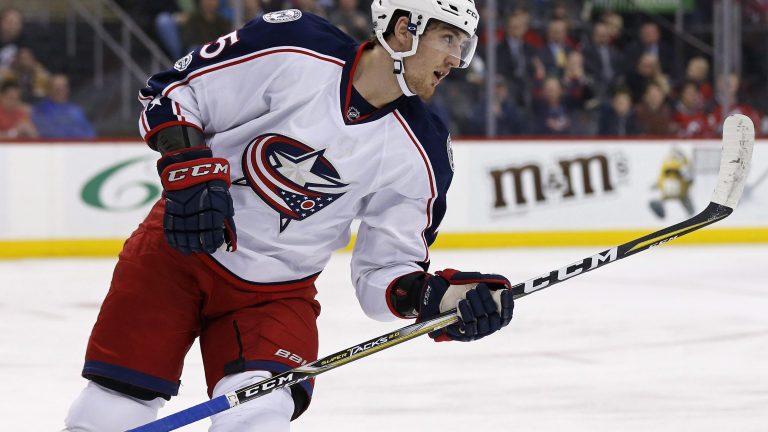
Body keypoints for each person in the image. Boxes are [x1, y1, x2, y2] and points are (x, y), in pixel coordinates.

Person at [63, 2, 515, 431]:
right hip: (177, 252)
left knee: (256, 419)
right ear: (404, 28)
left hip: (275, 298)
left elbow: (385, 273)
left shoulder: (424, 151)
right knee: (110, 412)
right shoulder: (294, 44)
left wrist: (438, 298)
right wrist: (189, 166)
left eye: (463, 44)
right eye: (448, 38)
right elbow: (172, 92)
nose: (457, 59)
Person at [30, 74, 95, 138]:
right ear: (49, 90)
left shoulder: (76, 110)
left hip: (76, 146)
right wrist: (73, 132)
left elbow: (89, 133)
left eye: (63, 88)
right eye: (57, 89)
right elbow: (46, 131)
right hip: (51, 147)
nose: (60, 92)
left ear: (68, 90)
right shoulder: (40, 109)